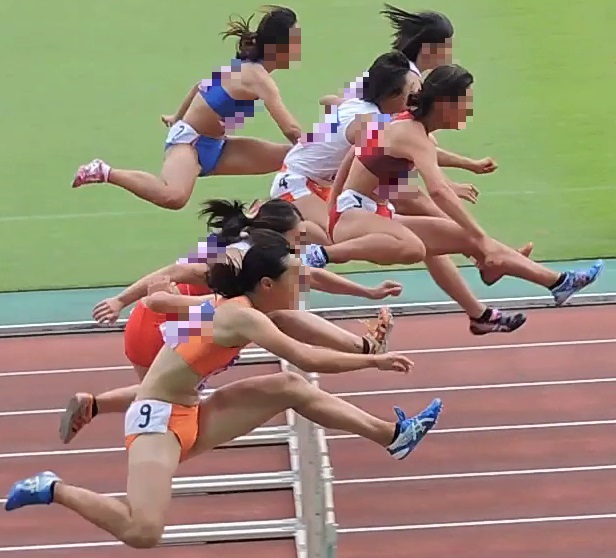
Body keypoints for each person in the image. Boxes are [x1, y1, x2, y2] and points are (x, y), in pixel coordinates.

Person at [6, 230, 442, 550]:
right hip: (157, 422)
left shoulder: (228, 306)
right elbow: (308, 358)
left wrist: (162, 302)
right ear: (267, 285)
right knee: (143, 532)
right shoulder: (244, 316)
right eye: (295, 279)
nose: (300, 286)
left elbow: (183, 312)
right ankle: (53, 488)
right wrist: (373, 359)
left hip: (191, 410)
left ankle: (394, 435)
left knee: (289, 387)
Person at [58, 199, 400, 444]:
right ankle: (364, 345)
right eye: (297, 238)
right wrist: (123, 298)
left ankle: (95, 405)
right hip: (166, 323)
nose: (299, 245)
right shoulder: (241, 258)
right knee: (277, 317)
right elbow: (175, 272)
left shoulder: (257, 253)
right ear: (275, 234)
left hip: (156, 321)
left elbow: (311, 276)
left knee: (161, 392)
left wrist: (367, 293)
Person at [302, 64, 603, 307]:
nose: (469, 111)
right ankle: (324, 255)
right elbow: (437, 192)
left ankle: (558, 282)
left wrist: (478, 237)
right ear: (445, 104)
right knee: (414, 248)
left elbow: (354, 155)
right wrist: (335, 211)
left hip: (373, 214)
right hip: (353, 219)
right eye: (466, 103)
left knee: (465, 238)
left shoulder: (412, 129)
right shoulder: (410, 133)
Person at [322, 3, 534, 288]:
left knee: (432, 230)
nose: (450, 54)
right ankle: (489, 256)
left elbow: (416, 144)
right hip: (367, 171)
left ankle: (489, 258)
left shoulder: (393, 67)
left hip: (375, 164)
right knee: (435, 213)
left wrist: (462, 168)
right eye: (447, 47)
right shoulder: (412, 82)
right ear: (430, 49)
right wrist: (450, 179)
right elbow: (414, 143)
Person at [71, 6, 303, 210]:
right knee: (174, 196)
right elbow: (291, 129)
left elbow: (200, 86)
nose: (299, 47)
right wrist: (317, 148)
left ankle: (278, 215)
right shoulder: (258, 78)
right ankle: (103, 171)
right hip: (189, 142)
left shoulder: (244, 68)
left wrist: (176, 115)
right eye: (295, 41)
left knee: (292, 158)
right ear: (279, 45)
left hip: (218, 147)